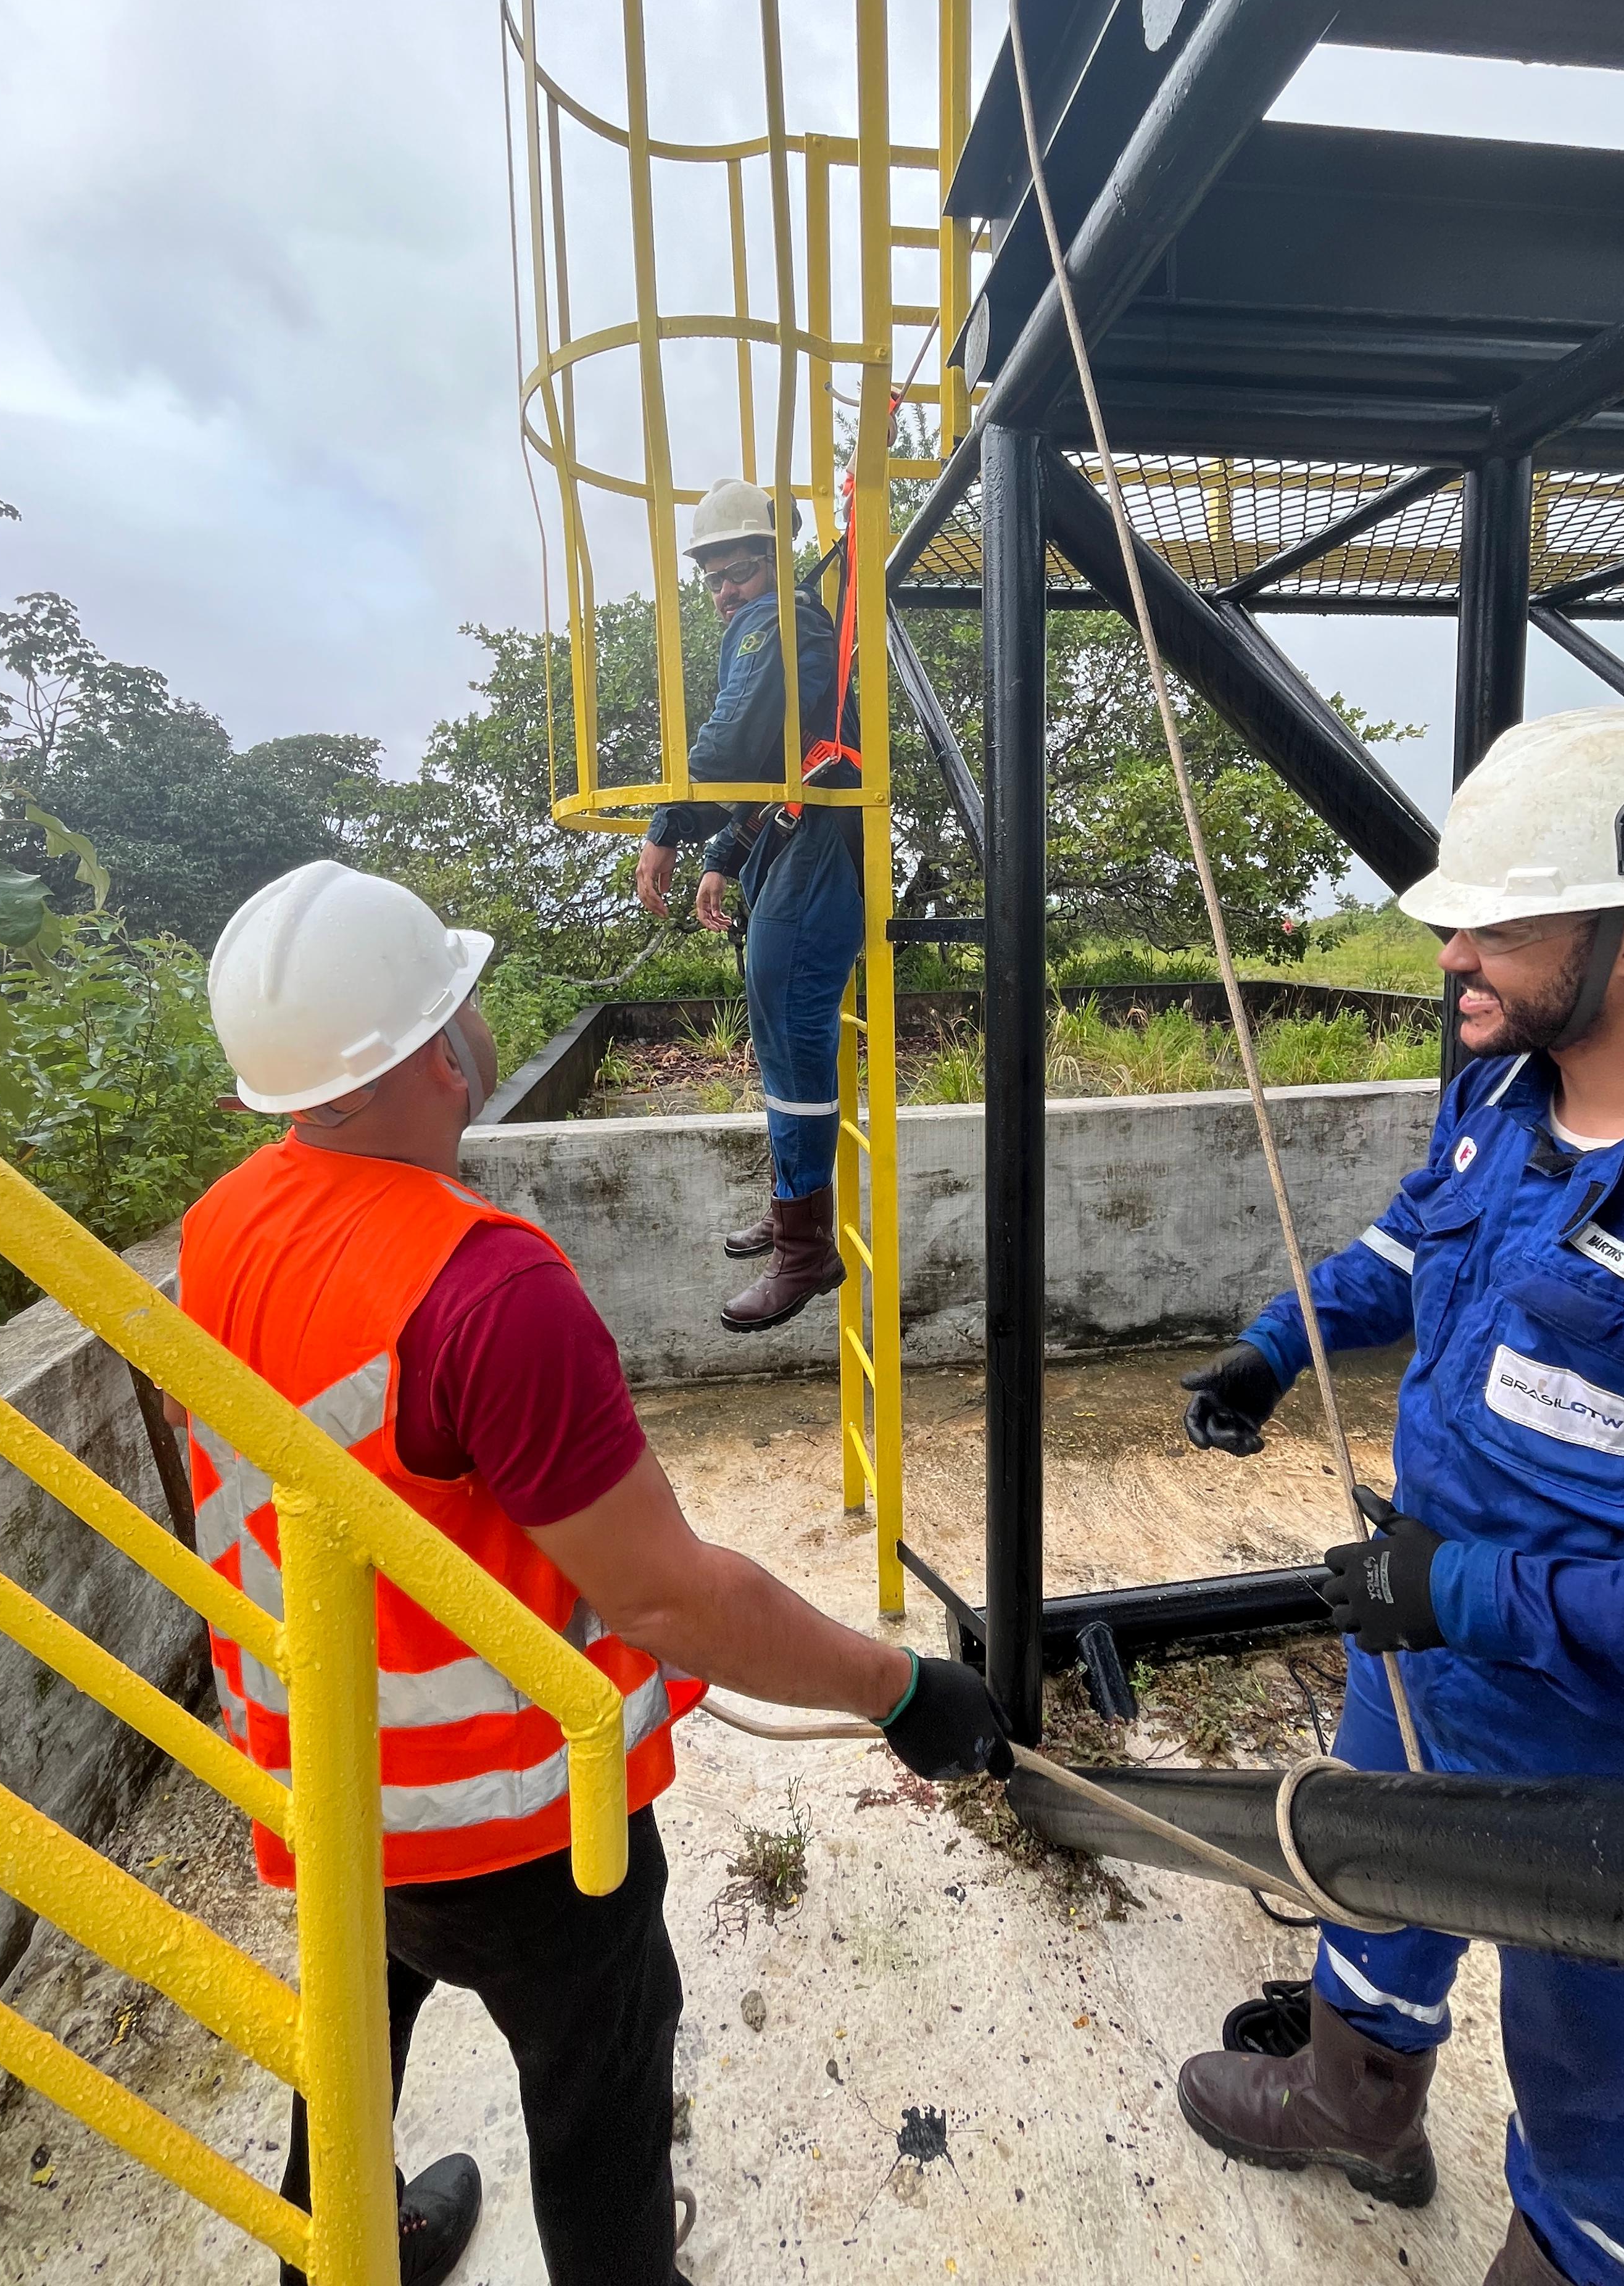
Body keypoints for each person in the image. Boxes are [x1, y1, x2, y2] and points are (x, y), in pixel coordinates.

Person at [180, 859, 1010, 2286]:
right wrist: (900, 1689)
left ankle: (342, 2256)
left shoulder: (228, 1220)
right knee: (598, 2101)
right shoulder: (485, 1290)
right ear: (441, 1049)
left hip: (324, 1780)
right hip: (508, 1825)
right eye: (467, 997)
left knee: (347, 2041)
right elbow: (668, 1598)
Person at [1172, 706, 1624, 2286]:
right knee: (1368, 1880)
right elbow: (1419, 1246)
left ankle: (1587, 2254)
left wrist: (1464, 1591)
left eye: (1497, 923)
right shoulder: (1510, 1096)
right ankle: (1358, 2106)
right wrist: (1275, 1346)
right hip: (1423, 1665)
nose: (1452, 959)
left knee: (1615, 2082)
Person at [634, 478, 864, 1333]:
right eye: (715, 578)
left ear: (773, 559)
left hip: (818, 852)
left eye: (736, 570)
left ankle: (805, 1251)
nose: (724, 590)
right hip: (790, 840)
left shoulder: (777, 620)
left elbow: (734, 741)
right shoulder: (776, 623)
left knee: (795, 1047)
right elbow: (784, 758)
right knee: (777, 1042)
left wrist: (668, 827)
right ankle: (792, 1208)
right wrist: (725, 854)